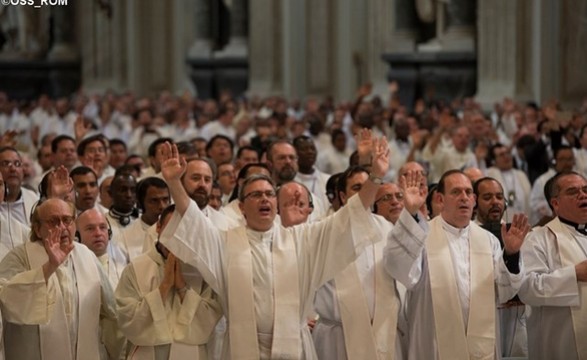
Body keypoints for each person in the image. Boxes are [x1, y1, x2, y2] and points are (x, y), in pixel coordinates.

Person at [158, 129, 389, 359]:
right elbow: (193, 221)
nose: (264, 199)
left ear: (276, 204)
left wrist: (376, 177)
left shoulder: (301, 240)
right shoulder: (224, 242)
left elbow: (348, 219)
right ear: (241, 206)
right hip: (242, 348)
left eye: (269, 194)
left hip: (294, 349)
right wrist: (174, 183)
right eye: (256, 195)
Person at [384, 169, 530, 359]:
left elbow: (503, 291)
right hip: (434, 345)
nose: (464, 198)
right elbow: (400, 269)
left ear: (474, 200)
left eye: (468, 193)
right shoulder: (421, 236)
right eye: (456, 192)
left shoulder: (488, 240)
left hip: (480, 346)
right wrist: (411, 214)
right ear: (440, 199)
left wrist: (510, 254)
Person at [0, 198, 121, 360]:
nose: (62, 227)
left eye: (67, 220)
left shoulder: (87, 256)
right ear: (37, 229)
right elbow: (7, 300)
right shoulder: (20, 256)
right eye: (53, 221)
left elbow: (110, 311)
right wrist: (48, 267)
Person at [313, 164, 404, 360]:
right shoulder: (324, 230)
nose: (365, 192)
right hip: (338, 337)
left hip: (380, 332)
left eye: (368, 186)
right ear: (343, 196)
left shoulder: (386, 228)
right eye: (357, 188)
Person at [116, 204, 223, 360]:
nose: (177, 238)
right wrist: (164, 287)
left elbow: (211, 318)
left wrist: (182, 289)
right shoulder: (136, 268)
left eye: (184, 232)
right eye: (171, 229)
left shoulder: (202, 270)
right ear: (158, 227)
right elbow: (126, 317)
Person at [518, 171, 587, 360]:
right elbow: (527, 289)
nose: (583, 195)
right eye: (573, 192)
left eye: (585, 190)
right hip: (561, 344)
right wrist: (574, 274)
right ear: (555, 203)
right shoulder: (538, 238)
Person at [473, 177, 528, 357]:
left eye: (499, 196)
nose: (495, 202)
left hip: (516, 318)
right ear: (475, 201)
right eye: (487, 197)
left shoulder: (518, 232)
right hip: (483, 317)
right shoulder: (469, 235)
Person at [77, 208, 128, 289]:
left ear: (109, 233)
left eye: (102, 227)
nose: (98, 233)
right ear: (77, 236)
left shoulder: (123, 267)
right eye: (90, 228)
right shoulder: (72, 269)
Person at [121, 177, 170, 259]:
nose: (162, 206)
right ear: (140, 203)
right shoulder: (125, 237)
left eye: (165, 199)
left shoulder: (179, 231)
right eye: (154, 200)